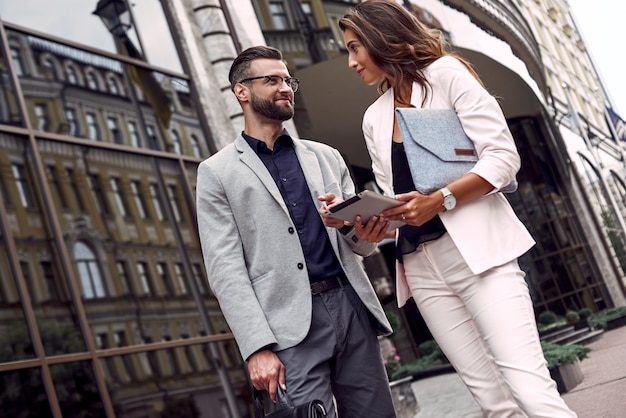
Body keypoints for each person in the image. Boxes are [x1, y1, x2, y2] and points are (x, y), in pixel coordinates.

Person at [339, 1, 577, 417]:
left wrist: (441, 199)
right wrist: (367, 219)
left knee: (530, 390)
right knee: (494, 405)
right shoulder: (373, 118)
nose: (351, 61)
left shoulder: (446, 75)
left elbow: (502, 158)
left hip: (479, 256)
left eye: (356, 47)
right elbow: (398, 202)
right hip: (422, 270)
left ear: (382, 37)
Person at [196, 45, 397, 418]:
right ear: (242, 91)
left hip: (350, 306)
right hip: (286, 327)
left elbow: (360, 247)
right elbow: (225, 269)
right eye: (271, 80)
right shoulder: (216, 173)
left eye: (288, 80)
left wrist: (359, 228)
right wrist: (256, 347)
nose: (285, 87)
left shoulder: (326, 156)